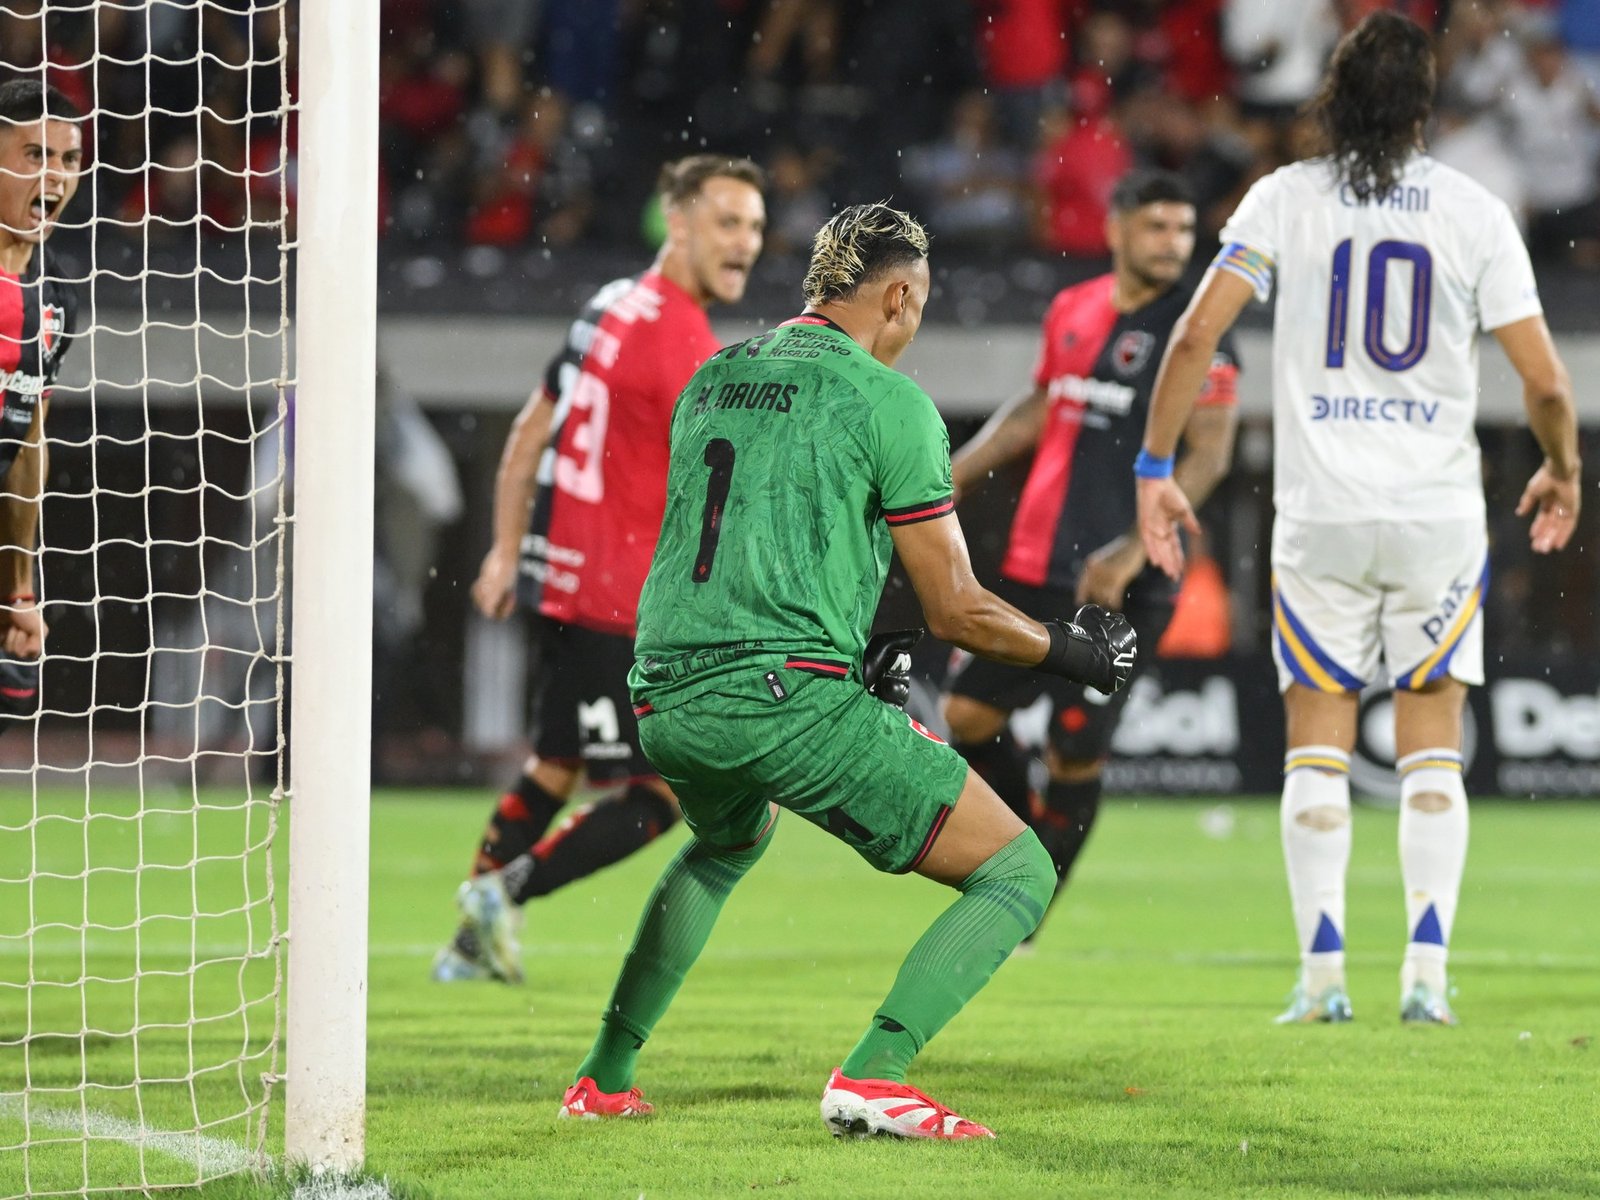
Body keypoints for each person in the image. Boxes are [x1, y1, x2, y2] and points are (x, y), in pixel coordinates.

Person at [547, 203, 1136, 1138]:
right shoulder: (887, 399)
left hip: (662, 687)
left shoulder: (715, 377)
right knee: (1019, 871)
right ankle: (876, 1074)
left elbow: (742, 546)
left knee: (727, 843)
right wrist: (1073, 650)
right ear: (899, 295)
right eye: (919, 307)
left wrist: (849, 647)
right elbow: (959, 609)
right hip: (779, 697)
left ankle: (603, 1077)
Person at [1135, 12, 1581, 1026]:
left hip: (1321, 515)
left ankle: (1322, 975)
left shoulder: (1282, 200)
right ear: (1423, 110)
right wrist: (1561, 469)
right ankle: (1424, 972)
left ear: (1332, 97)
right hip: (1432, 516)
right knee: (1431, 748)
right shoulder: (1473, 211)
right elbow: (1547, 382)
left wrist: (1155, 467)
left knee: (1315, 750)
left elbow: (1195, 335)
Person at [431, 155, 767, 983]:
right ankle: (501, 894)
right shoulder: (684, 338)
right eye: (728, 223)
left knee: (555, 766)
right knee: (656, 801)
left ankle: (470, 948)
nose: (747, 244)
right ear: (678, 223)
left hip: (566, 581)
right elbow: (716, 503)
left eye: (756, 227)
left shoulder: (608, 304)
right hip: (617, 602)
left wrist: (511, 549)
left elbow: (527, 432)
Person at [942, 170, 1239, 935]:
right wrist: (943, 480)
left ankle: (1024, 911)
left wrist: (1135, 548)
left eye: (1183, 230)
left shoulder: (1198, 332)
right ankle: (1018, 861)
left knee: (1074, 752)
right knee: (969, 714)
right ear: (1116, 228)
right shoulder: (1073, 307)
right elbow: (1040, 404)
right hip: (1036, 562)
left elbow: (1209, 455)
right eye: (1158, 228)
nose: (1174, 245)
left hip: (1125, 580)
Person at [0, 81, 83, 731]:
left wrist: (19, 587)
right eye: (34, 155)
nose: (54, 175)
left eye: (68, 159)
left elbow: (28, 440)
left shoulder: (55, 295)